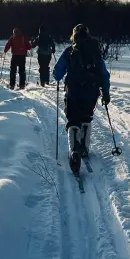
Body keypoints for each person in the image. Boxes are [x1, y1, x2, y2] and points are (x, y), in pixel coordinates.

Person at [53, 24, 111, 175]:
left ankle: (74, 151)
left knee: (73, 120)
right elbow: (104, 74)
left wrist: (59, 74)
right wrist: (106, 92)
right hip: (91, 92)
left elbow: (57, 74)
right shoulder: (95, 52)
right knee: (86, 118)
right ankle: (84, 148)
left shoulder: (69, 51)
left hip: (73, 92)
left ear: (74, 36)